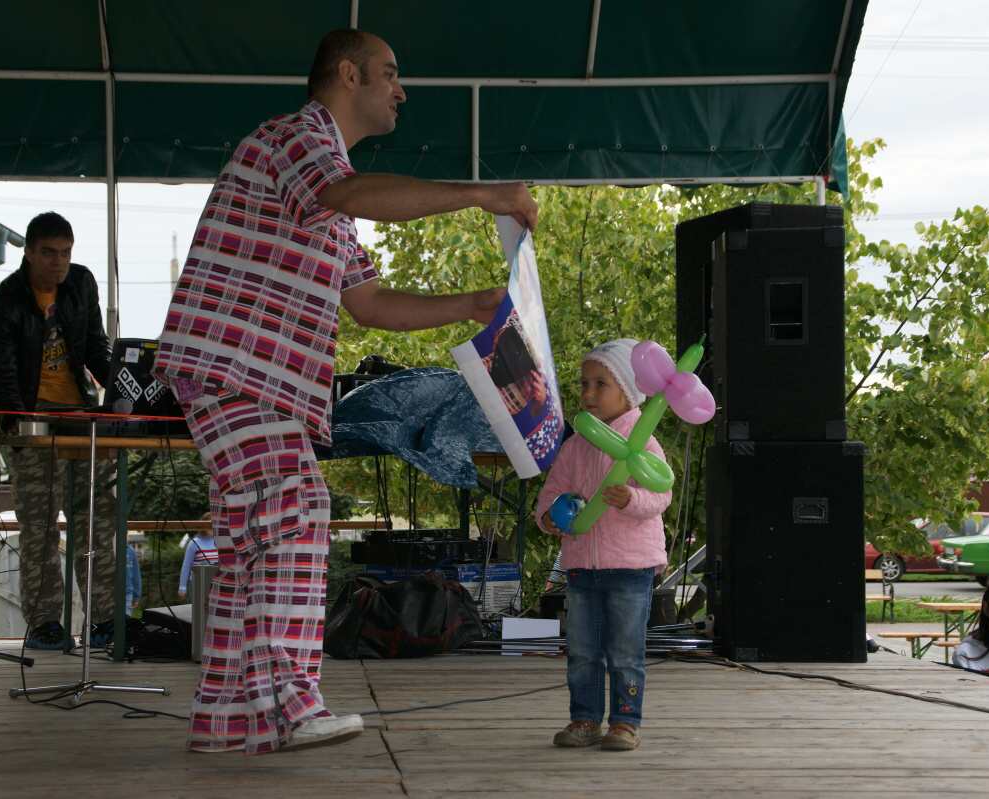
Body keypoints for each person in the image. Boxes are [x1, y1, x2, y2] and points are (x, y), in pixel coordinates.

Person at [152, 29, 537, 756]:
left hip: (252, 378)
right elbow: (350, 192)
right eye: (390, 73)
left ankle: (228, 721)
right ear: (347, 73)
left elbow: (370, 304)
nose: (402, 91)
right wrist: (482, 194)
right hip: (237, 368)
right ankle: (292, 701)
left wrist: (473, 303)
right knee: (298, 506)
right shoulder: (296, 140)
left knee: (251, 539)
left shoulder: (333, 196)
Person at [0, 212, 119, 651]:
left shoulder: (81, 284)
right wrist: (18, 428)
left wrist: (125, 390)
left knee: (95, 521)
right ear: (28, 252)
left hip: (81, 417)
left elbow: (96, 348)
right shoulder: (5, 301)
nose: (58, 262)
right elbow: (1, 376)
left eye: (65, 253)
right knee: (40, 527)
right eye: (48, 253)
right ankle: (44, 623)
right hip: (32, 419)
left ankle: (103, 621)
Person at [534, 338, 672, 752]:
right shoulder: (574, 446)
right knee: (582, 650)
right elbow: (550, 494)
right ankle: (585, 719)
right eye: (584, 384)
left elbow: (661, 495)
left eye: (601, 384)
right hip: (582, 566)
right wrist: (549, 516)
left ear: (628, 392)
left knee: (625, 651)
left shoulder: (643, 443)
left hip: (631, 567)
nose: (589, 393)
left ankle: (625, 722)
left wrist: (631, 500)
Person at [178, 521, 218, 600]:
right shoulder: (194, 543)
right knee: (199, 607)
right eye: (210, 526)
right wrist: (182, 587)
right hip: (197, 585)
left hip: (216, 585)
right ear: (203, 526)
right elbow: (186, 566)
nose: (213, 528)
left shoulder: (220, 541)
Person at [126, 542, 142, 618]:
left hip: (127, 594)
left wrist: (136, 596)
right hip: (109, 594)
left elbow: (136, 574)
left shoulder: (130, 551)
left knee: (126, 620)